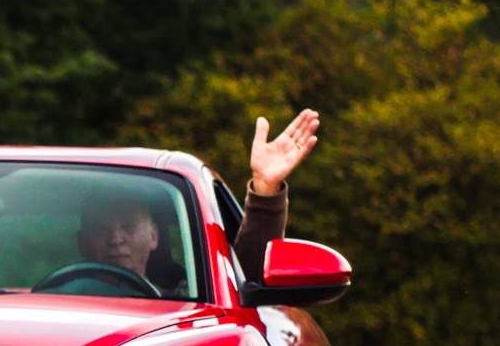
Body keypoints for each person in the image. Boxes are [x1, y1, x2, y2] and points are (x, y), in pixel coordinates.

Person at [76, 109, 320, 290]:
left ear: (154, 236)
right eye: (101, 229)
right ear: (83, 242)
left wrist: (265, 190)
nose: (116, 239)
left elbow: (246, 284)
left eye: (128, 227)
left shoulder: (185, 304)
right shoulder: (53, 303)